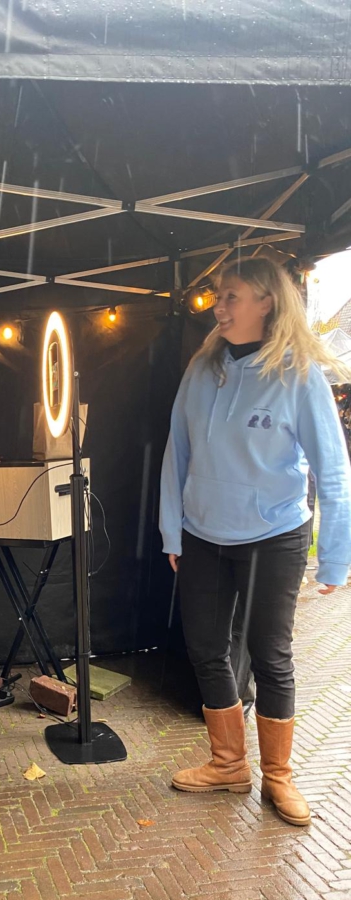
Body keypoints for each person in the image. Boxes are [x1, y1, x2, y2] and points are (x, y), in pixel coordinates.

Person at [160, 255, 351, 826]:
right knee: (205, 649)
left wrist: (335, 555)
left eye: (232, 297)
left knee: (271, 655)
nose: (218, 307)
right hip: (202, 533)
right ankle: (227, 764)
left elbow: (333, 469)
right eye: (218, 297)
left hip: (274, 534)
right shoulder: (201, 370)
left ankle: (280, 776)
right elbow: (176, 452)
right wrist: (172, 529)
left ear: (267, 302)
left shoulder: (299, 376)